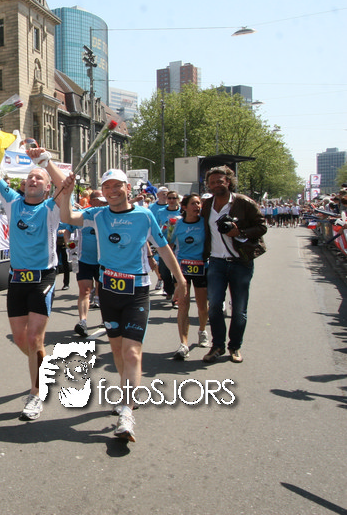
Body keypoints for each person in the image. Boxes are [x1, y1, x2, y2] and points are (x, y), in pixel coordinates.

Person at [59, 168, 186, 443]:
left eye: (117, 185)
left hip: (136, 291)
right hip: (108, 291)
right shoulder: (98, 214)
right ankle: (127, 391)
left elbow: (163, 248)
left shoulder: (144, 215)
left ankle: (127, 412)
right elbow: (67, 218)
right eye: (107, 187)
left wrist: (180, 279)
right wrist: (66, 193)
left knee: (132, 352)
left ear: (128, 188)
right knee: (117, 349)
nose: (112, 191)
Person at [0, 115, 66, 419]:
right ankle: (42, 364)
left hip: (43, 278)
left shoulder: (52, 207)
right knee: (21, 340)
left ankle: (35, 393)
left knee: (35, 338)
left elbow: (64, 184)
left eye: (39, 178)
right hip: (16, 279)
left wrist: (44, 161)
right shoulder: (12, 201)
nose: (33, 180)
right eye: (30, 177)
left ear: (47, 186)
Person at [200, 166, 267, 364]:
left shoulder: (244, 202)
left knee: (239, 309)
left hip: (240, 262)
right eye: (212, 182)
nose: (215, 185)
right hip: (216, 262)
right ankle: (217, 346)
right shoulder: (207, 205)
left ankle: (235, 346)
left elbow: (262, 225)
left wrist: (241, 233)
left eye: (219, 181)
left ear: (228, 182)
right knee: (214, 307)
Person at [171, 193, 210, 359]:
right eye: (193, 203)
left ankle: (202, 330)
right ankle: (184, 344)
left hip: (202, 267)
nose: (197, 206)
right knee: (183, 305)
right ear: (184, 207)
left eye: (199, 203)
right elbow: (168, 245)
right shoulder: (175, 224)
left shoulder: (205, 223)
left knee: (202, 306)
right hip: (182, 269)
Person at [73, 189, 106, 337]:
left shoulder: (108, 215)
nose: (103, 203)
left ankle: (106, 319)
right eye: (99, 200)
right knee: (84, 291)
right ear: (92, 201)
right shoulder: (82, 215)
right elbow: (67, 228)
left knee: (104, 292)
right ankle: (83, 322)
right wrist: (68, 243)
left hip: (103, 261)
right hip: (84, 260)